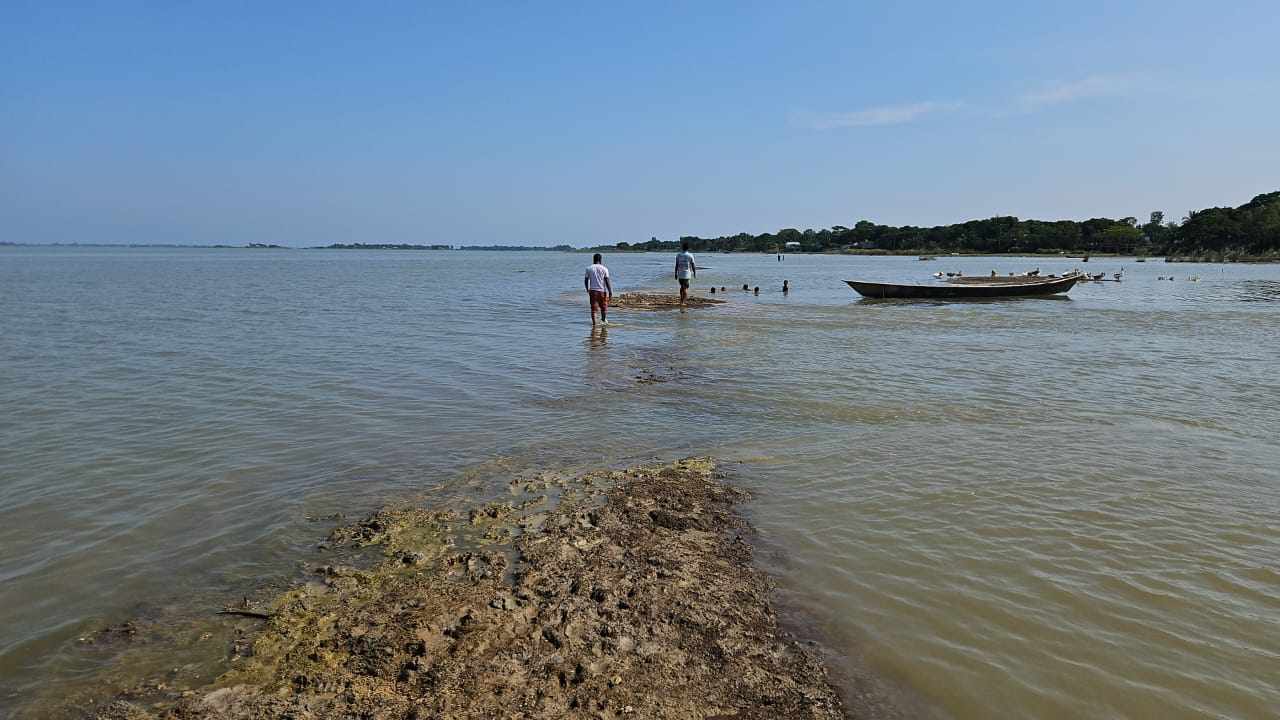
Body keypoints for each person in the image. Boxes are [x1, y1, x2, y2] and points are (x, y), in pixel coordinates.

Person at [584, 253, 613, 325]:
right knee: (603, 307)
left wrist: (587, 289)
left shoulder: (589, 268)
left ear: (593, 259)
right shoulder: (604, 269)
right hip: (602, 291)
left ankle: (594, 325)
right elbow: (607, 281)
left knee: (593, 309)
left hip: (593, 291)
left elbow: (586, 280)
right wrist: (610, 291)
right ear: (600, 260)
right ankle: (603, 321)